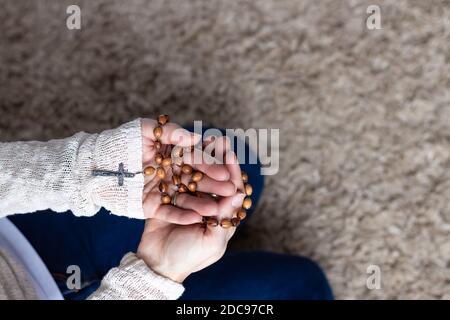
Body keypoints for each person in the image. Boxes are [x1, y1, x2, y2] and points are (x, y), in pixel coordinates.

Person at [0, 117, 333, 300]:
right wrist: (155, 274)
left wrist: (87, 169)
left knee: (235, 158)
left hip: (18, 240)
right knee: (302, 287)